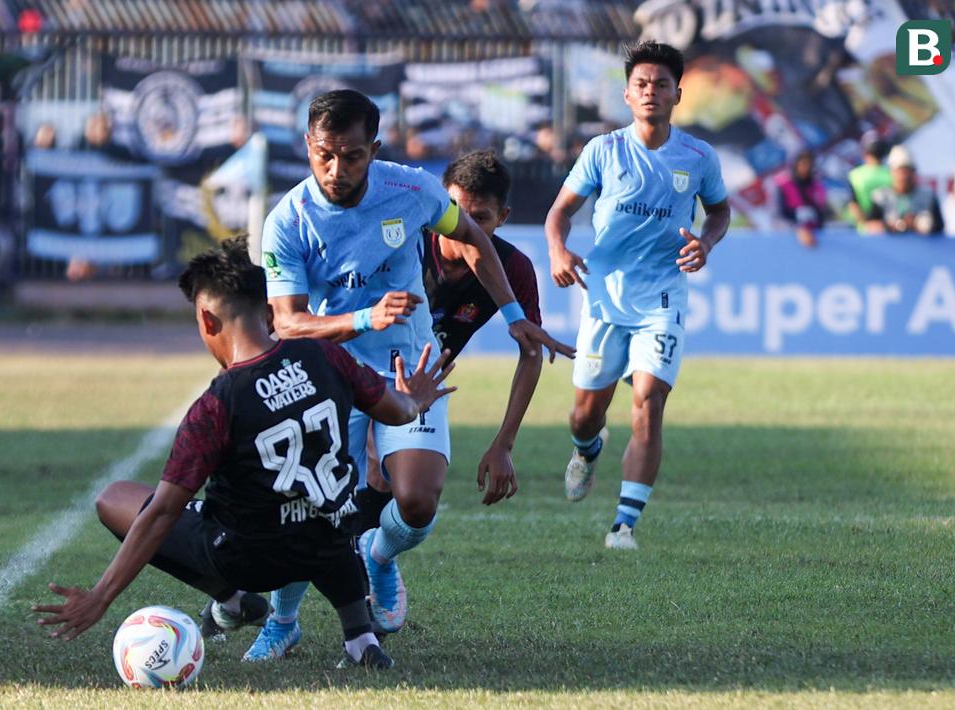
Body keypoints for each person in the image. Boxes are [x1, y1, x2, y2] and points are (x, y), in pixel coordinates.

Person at [245, 89, 567, 660]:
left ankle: (378, 556)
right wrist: (365, 316)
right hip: (331, 374)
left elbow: (472, 236)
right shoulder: (287, 221)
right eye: (324, 154)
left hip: (409, 371)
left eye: (351, 155)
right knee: (314, 504)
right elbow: (289, 323)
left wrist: (515, 315)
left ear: (373, 150)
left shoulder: (412, 189)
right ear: (307, 147)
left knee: (417, 503)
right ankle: (283, 618)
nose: (336, 169)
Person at [33, 237, 454, 670]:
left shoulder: (217, 405)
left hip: (250, 561)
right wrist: (416, 402)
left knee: (116, 497)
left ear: (207, 320)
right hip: (330, 538)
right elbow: (396, 410)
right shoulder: (325, 354)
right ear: (270, 314)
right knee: (322, 517)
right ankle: (359, 637)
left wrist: (101, 597)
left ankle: (233, 602)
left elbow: (161, 514)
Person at [545, 41, 731, 551]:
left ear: (678, 94)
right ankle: (587, 450)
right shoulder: (603, 150)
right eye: (642, 84)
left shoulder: (697, 157)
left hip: (663, 298)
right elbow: (558, 212)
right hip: (605, 298)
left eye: (662, 85)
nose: (651, 92)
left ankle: (624, 524)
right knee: (586, 413)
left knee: (649, 402)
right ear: (627, 94)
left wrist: (707, 242)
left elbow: (718, 211)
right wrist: (559, 251)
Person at [354, 149, 547, 531]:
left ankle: (374, 558)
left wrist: (503, 443)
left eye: (480, 219)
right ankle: (363, 566)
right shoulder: (405, 243)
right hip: (362, 366)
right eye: (456, 212)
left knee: (409, 496)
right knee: (357, 475)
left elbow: (531, 353)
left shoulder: (511, 268)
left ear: (502, 218)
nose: (463, 227)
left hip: (421, 381)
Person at [865, 145, 943, 236]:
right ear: (892, 172)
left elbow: (940, 227)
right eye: (900, 171)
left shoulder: (928, 196)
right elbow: (870, 227)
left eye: (907, 171)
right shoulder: (880, 197)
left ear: (914, 172)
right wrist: (898, 226)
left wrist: (922, 224)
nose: (904, 177)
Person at [773, 150, 827, 248]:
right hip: (790, 234)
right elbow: (780, 213)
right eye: (803, 163)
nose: (806, 167)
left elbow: (821, 213)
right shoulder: (783, 184)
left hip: (814, 235)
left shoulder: (816, 185)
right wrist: (798, 228)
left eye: (809, 164)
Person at [846, 132, 891, 233]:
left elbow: (853, 205)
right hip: (889, 230)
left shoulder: (855, 174)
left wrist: (866, 225)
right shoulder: (892, 174)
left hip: (864, 231)